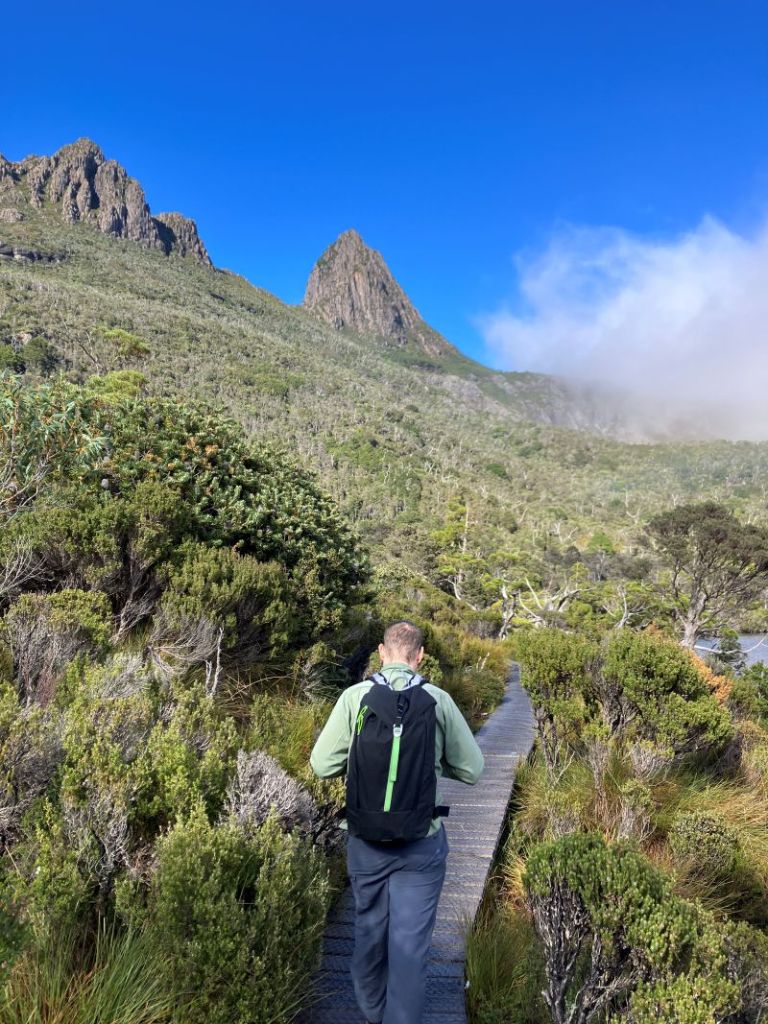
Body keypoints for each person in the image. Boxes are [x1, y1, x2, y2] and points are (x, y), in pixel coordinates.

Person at [310, 620, 484, 1024]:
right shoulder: (438, 700)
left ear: (382, 652)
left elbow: (321, 765)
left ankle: (372, 1013)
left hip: (365, 841)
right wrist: (435, 763)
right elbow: (473, 770)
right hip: (421, 845)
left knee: (369, 932)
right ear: (420, 656)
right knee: (409, 948)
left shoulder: (355, 698)